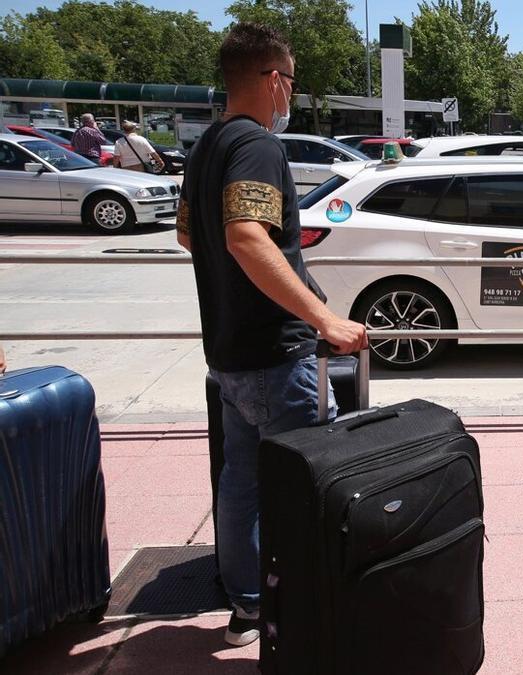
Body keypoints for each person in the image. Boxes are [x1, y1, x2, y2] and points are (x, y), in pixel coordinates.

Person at [175, 22, 367, 647]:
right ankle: (308, 605)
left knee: (240, 481)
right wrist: (324, 319)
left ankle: (249, 606)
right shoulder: (257, 146)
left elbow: (189, 234)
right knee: (306, 479)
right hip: (277, 356)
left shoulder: (206, 148)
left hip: (227, 352)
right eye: (290, 82)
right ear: (274, 80)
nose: (291, 96)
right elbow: (246, 235)